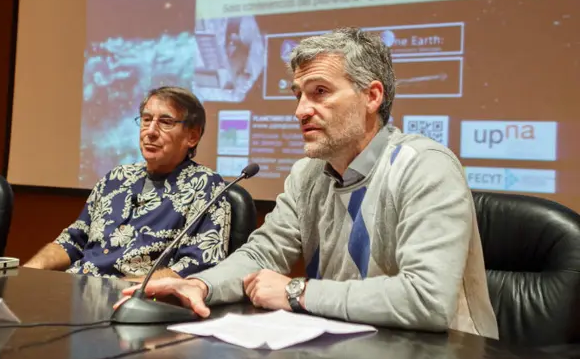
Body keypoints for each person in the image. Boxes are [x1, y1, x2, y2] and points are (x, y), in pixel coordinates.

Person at [120, 28, 499, 339]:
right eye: (298, 94)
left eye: (320, 92)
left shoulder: (425, 167)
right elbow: (262, 255)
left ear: (372, 96)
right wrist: (201, 286)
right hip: (346, 345)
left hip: (442, 353)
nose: (300, 110)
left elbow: (426, 299)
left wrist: (295, 291)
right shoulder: (307, 173)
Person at [24, 86, 231, 280]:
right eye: (146, 119)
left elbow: (197, 265)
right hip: (75, 291)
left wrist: (125, 291)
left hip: (131, 301)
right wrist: (26, 273)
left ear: (192, 136)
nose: (150, 131)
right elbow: (72, 241)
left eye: (165, 122)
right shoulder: (116, 178)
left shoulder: (206, 186)